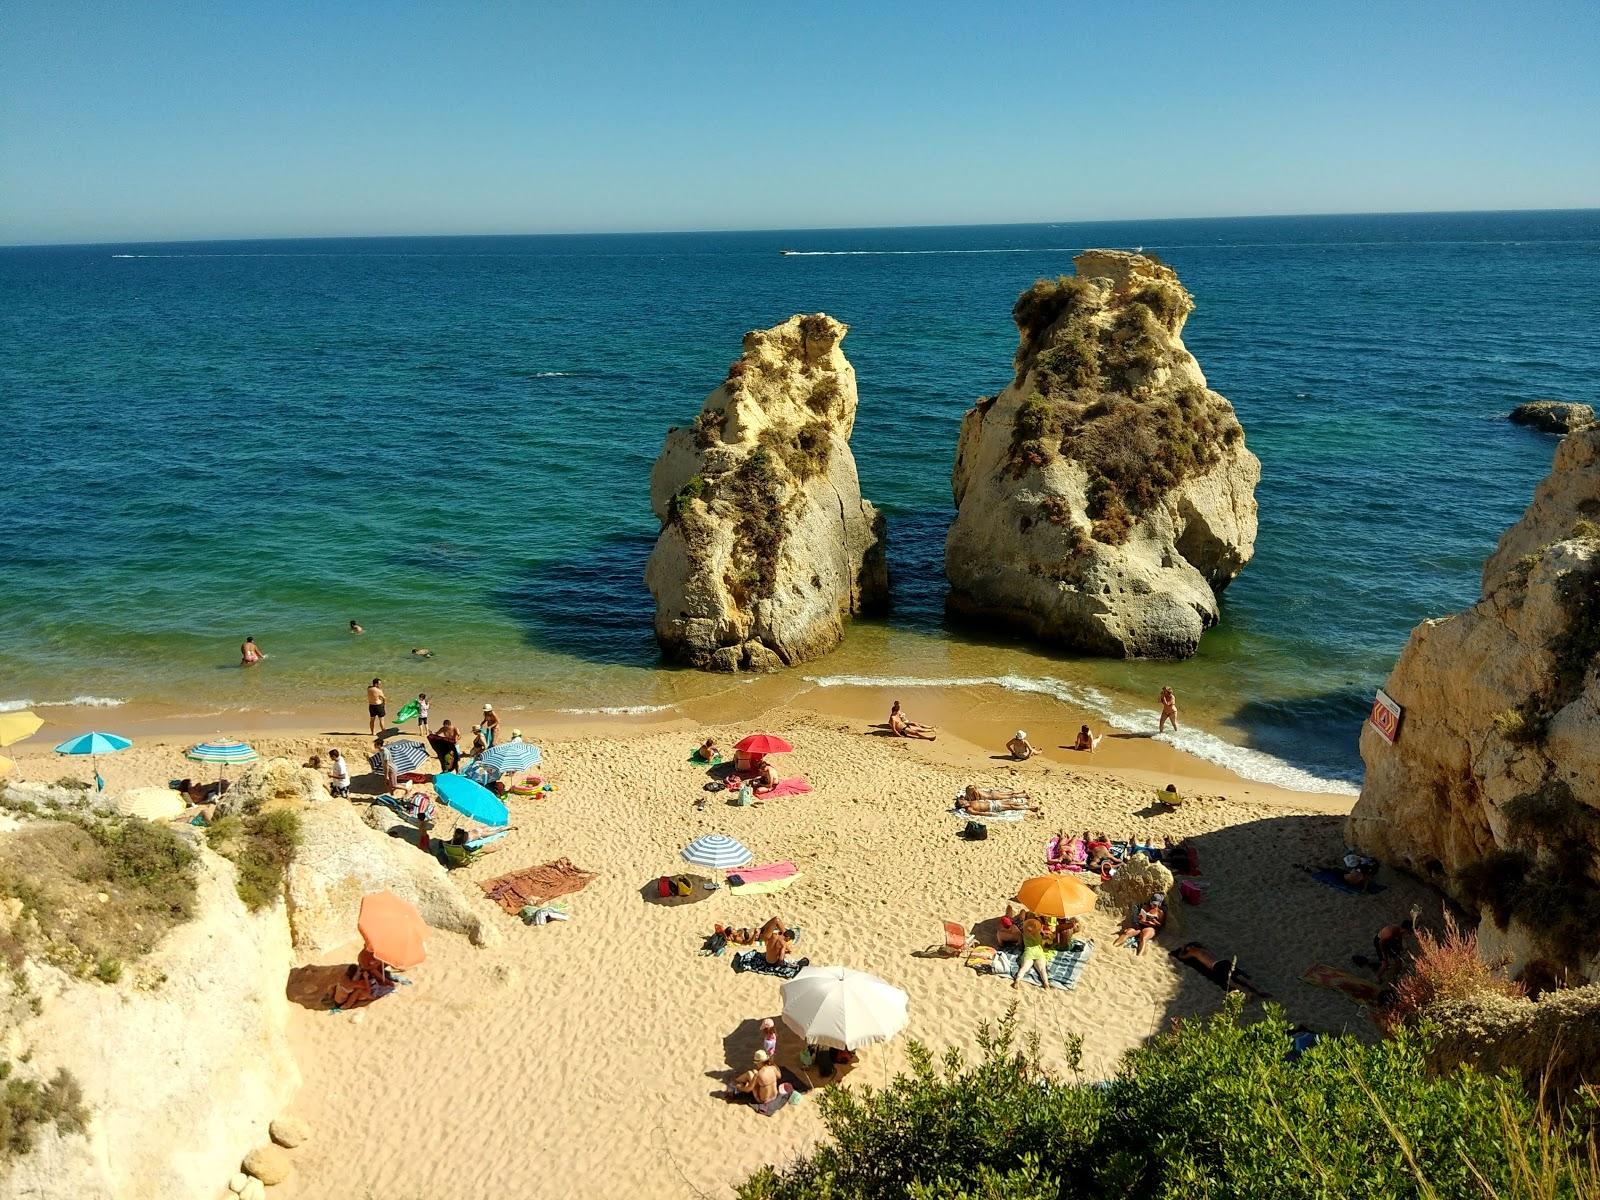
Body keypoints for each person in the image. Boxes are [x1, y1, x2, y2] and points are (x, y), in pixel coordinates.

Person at [1172, 942, 1270, 998]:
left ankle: (1247, 993)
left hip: (1216, 966)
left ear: (1189, 948)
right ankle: (1259, 990)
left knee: (1230, 981)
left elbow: (1182, 956)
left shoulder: (1193, 952)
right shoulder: (1203, 949)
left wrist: (1183, 949)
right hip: (1224, 961)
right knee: (1240, 976)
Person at [1014, 917, 1054, 991]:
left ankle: (1017, 980)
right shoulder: (1040, 935)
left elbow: (1020, 945)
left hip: (1028, 952)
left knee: (1024, 968)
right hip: (1039, 953)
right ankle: (1046, 984)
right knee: (1042, 970)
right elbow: (1046, 944)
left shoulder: (1023, 934)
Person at [956, 784, 1040, 816]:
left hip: (992, 799)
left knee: (1010, 799)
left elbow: (963, 798)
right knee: (1010, 800)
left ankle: (1023, 796)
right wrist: (991, 814)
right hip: (992, 801)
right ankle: (1025, 800)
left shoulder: (971, 798)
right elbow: (978, 812)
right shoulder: (969, 805)